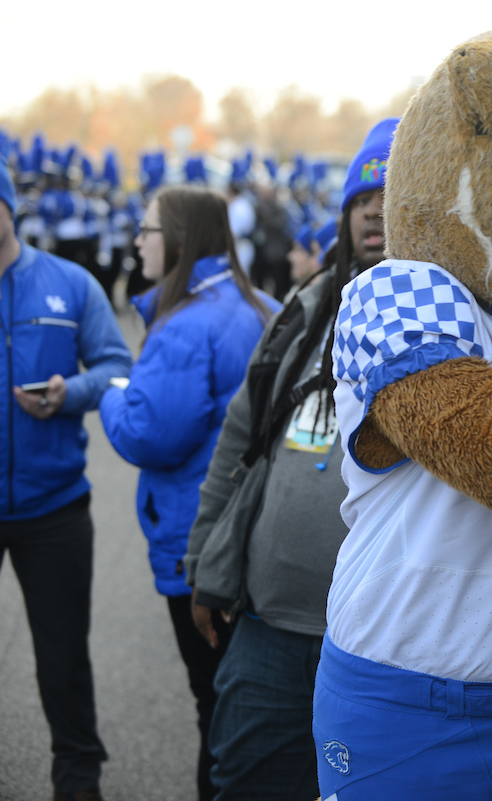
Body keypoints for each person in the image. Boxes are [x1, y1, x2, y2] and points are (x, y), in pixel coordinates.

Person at [184, 119, 394, 801]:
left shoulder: (456, 324)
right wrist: (207, 564)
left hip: (378, 646)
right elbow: (239, 443)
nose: (373, 209)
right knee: (244, 782)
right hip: (268, 629)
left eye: (393, 196)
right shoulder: (303, 311)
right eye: (362, 199)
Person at [99, 186, 279, 801]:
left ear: (176, 240)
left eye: (146, 231)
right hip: (254, 532)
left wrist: (110, 392)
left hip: (195, 540)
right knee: (246, 702)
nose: (137, 243)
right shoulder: (261, 304)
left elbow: (150, 436)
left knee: (214, 705)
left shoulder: (184, 327)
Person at [0, 162, 132, 801]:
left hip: (53, 507)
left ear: (9, 208)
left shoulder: (70, 283)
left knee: (62, 661)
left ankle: (78, 781)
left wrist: (69, 391)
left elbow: (115, 365)